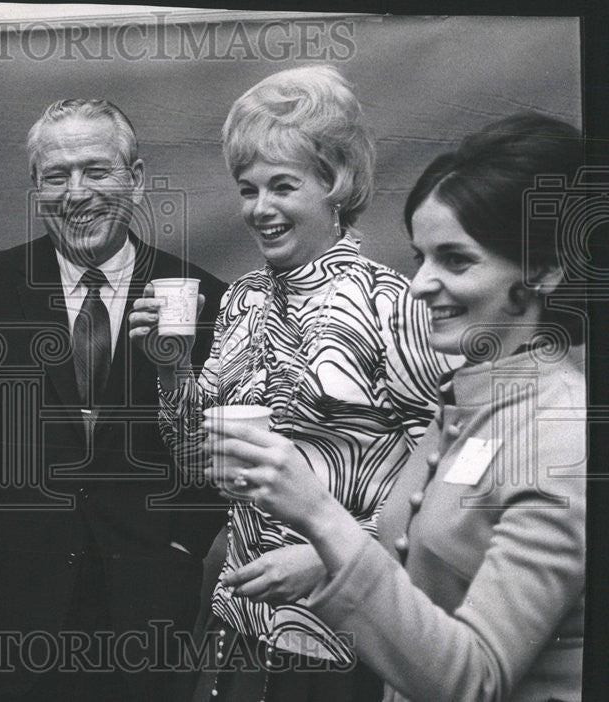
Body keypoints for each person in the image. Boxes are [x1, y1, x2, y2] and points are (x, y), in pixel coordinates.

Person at [211, 113, 586, 701]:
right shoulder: (471, 396)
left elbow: (473, 679)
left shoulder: (562, 435)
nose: (420, 284)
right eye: (421, 258)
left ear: (544, 270)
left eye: (456, 261)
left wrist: (316, 513)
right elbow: (418, 546)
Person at [129, 65, 455, 701]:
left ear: (335, 186)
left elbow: (441, 484)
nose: (261, 208)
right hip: (238, 622)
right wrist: (169, 366)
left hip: (344, 634)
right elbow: (195, 463)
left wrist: (331, 554)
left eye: (283, 185)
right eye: (248, 190)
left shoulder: (393, 301)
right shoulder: (241, 300)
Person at [0, 98, 228, 701]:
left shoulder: (200, 299)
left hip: (149, 612)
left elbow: (215, 451)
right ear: (36, 187)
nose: (76, 193)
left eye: (96, 170)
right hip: (8, 612)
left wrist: (184, 544)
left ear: (135, 179)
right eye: (56, 175)